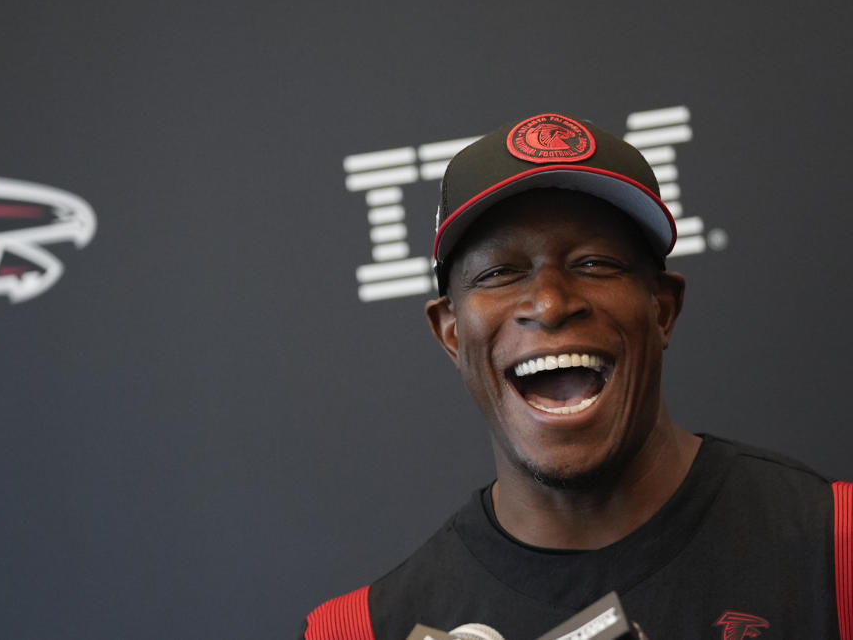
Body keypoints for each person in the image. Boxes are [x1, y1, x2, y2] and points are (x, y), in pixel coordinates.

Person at [302, 113, 852, 640]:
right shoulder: (363, 631)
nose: (548, 303)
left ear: (662, 311)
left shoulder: (838, 549)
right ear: (450, 333)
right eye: (499, 273)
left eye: (594, 263)